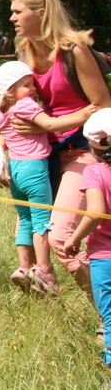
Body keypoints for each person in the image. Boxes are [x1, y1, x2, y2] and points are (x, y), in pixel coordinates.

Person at [8, 0, 109, 307]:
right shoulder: (24, 54)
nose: (12, 18)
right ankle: (104, 317)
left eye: (18, 11)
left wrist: (59, 123)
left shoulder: (73, 50)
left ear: (42, 13)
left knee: (62, 236)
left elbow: (102, 105)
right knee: (43, 231)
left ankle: (106, 318)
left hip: (81, 153)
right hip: (41, 157)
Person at [0, 61, 92, 296]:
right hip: (34, 170)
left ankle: (24, 267)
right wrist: (83, 115)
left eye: (33, 84)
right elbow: (51, 124)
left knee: (25, 219)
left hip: (15, 170)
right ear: (11, 92)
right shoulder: (25, 105)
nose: (33, 90)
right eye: (26, 85)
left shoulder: (4, 110)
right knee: (42, 221)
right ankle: (43, 268)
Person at [58, 109, 111, 372]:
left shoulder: (96, 172)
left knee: (110, 320)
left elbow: (96, 212)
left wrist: (73, 239)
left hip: (104, 259)